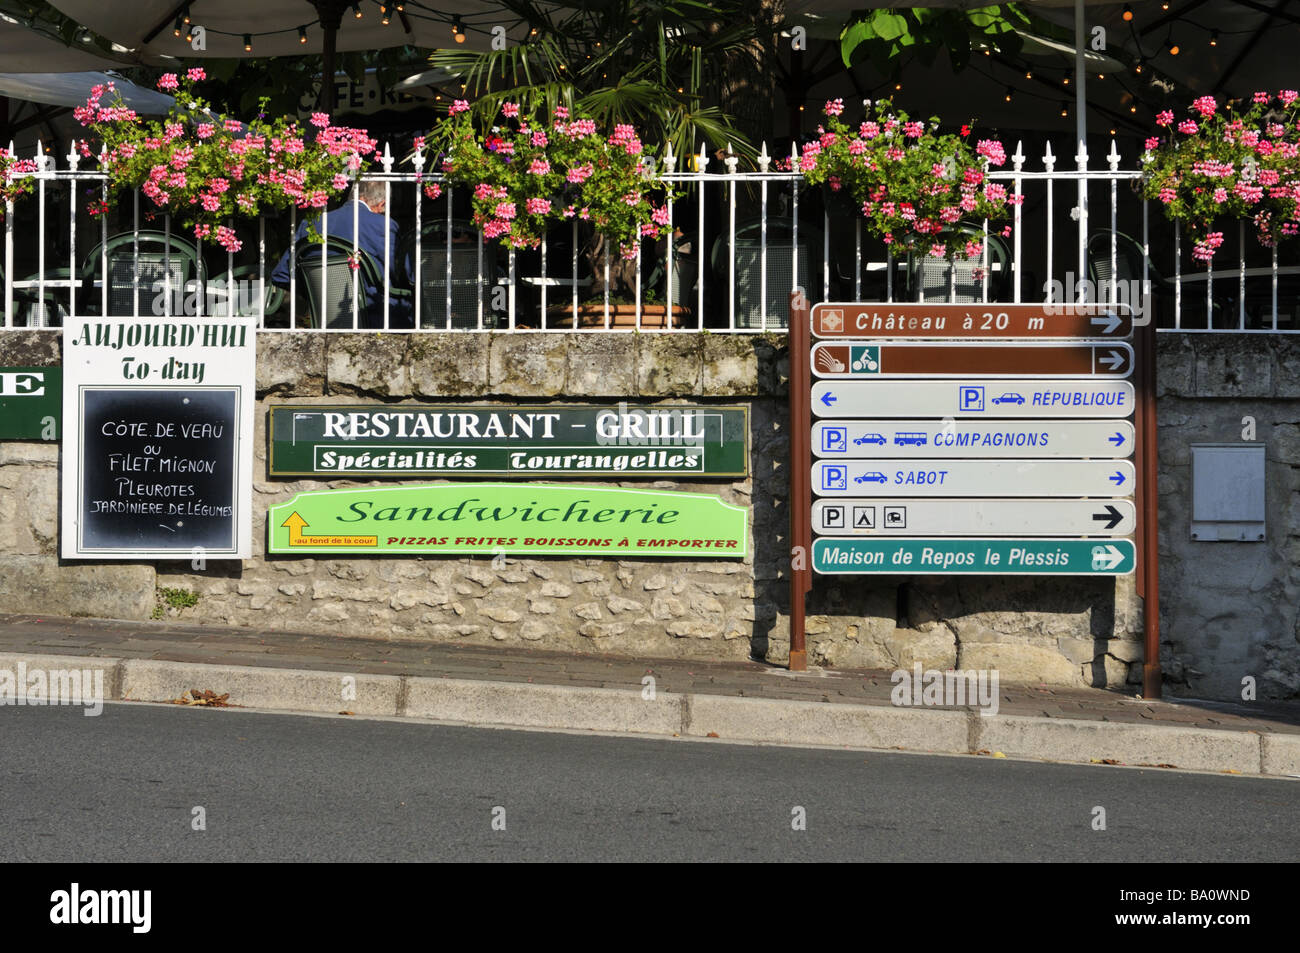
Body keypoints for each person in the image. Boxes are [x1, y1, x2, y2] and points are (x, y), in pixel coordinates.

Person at [271, 180, 411, 328]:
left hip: (324, 319)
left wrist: (316, 294)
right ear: (382, 204)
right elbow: (404, 275)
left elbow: (281, 275)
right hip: (375, 318)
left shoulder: (311, 224)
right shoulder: (382, 225)